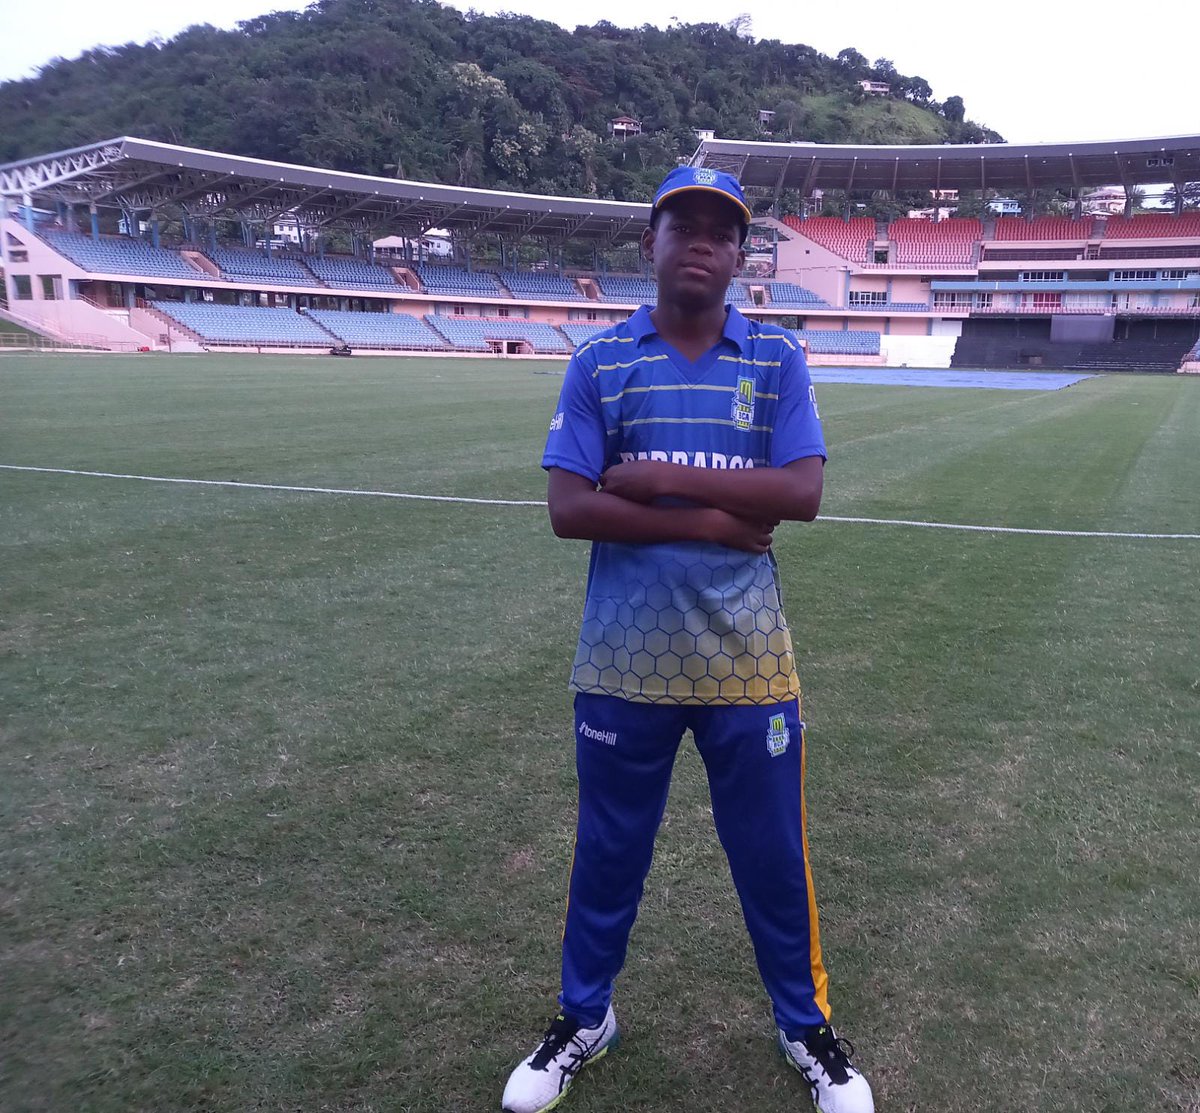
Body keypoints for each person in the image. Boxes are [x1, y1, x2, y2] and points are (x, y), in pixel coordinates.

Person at [502, 166, 874, 1113]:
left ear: (742, 255)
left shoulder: (777, 359)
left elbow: (803, 494)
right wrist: (711, 524)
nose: (703, 241)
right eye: (684, 225)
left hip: (750, 661)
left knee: (772, 857)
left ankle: (807, 1029)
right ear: (651, 245)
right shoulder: (599, 363)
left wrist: (659, 474)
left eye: (722, 229)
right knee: (608, 850)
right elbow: (568, 508)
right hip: (624, 658)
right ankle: (583, 1016)